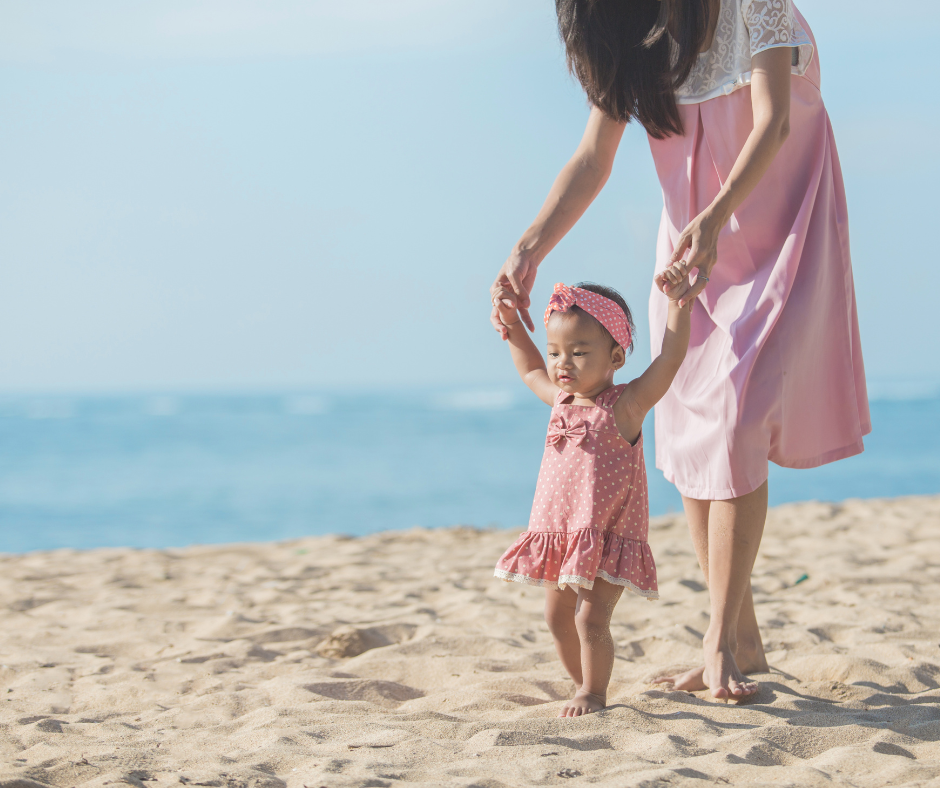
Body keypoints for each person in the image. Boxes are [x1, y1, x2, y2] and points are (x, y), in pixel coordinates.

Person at [489, 0, 869, 699]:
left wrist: (716, 217)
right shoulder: (636, 32)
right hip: (693, 251)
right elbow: (592, 156)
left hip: (772, 232)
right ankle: (744, 640)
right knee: (694, 436)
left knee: (737, 419)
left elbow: (775, 122)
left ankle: (718, 644)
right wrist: (529, 246)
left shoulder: (759, 7)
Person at [493, 281, 693, 716]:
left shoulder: (627, 405)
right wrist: (511, 324)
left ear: (616, 357)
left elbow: (671, 358)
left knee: (590, 619)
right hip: (562, 537)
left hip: (608, 535)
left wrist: (679, 305)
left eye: (579, 352)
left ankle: (594, 694)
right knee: (556, 619)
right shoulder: (560, 399)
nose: (562, 363)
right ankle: (581, 683)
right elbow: (529, 369)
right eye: (556, 352)